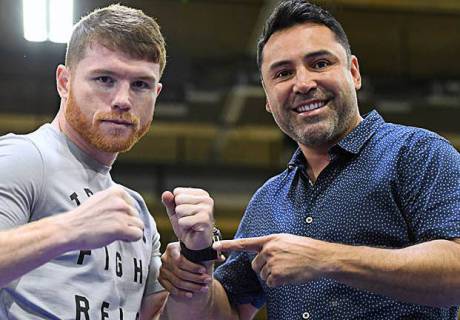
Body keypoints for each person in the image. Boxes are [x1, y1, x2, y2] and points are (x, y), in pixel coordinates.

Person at [158, 0, 460, 319]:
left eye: (319, 64)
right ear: (267, 99)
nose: (303, 83)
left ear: (353, 72)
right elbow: (228, 312)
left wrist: (326, 259)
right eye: (283, 73)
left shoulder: (417, 153)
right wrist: (196, 260)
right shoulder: (268, 200)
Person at [0, 4, 170, 319]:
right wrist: (68, 229)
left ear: (156, 93)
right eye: (105, 79)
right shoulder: (24, 158)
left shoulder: (138, 211)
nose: (123, 99)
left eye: (140, 85)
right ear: (64, 82)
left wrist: (195, 263)